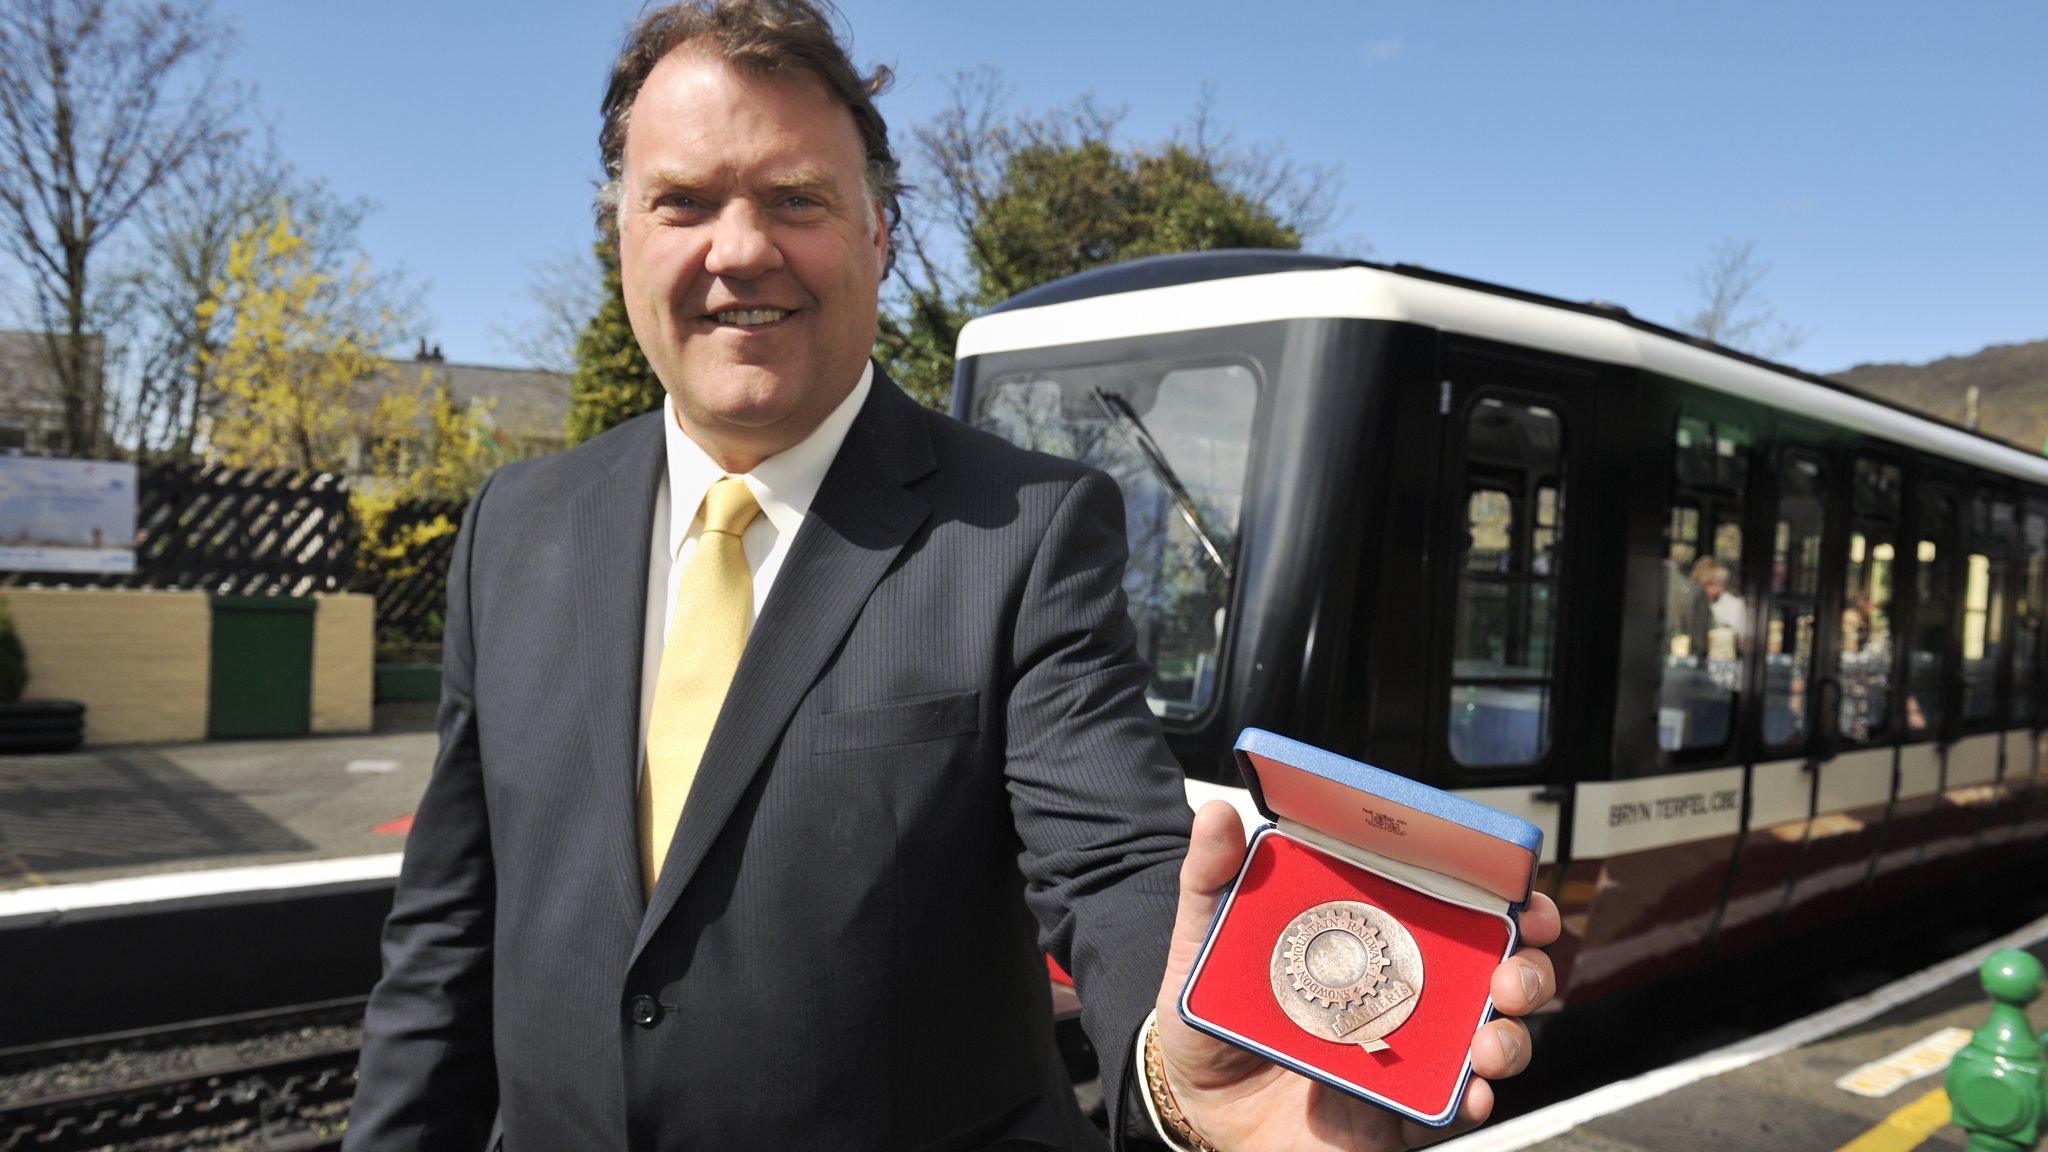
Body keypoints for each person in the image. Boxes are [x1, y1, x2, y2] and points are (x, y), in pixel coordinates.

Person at [342, 3, 1557, 1149]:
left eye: (794, 198)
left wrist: (1193, 1062)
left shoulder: (1023, 528)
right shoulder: (515, 524)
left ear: (877, 232)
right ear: (620, 232)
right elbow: (444, 941)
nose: (740, 248)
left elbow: (1115, 856)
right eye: (683, 201)